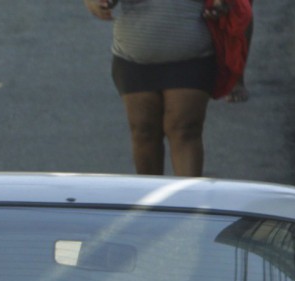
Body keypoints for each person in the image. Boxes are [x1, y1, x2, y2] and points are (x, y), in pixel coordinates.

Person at [83, 0, 247, 176]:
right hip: (133, 55)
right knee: (143, 131)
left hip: (191, 56)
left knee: (185, 130)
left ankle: (187, 201)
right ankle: (150, 201)